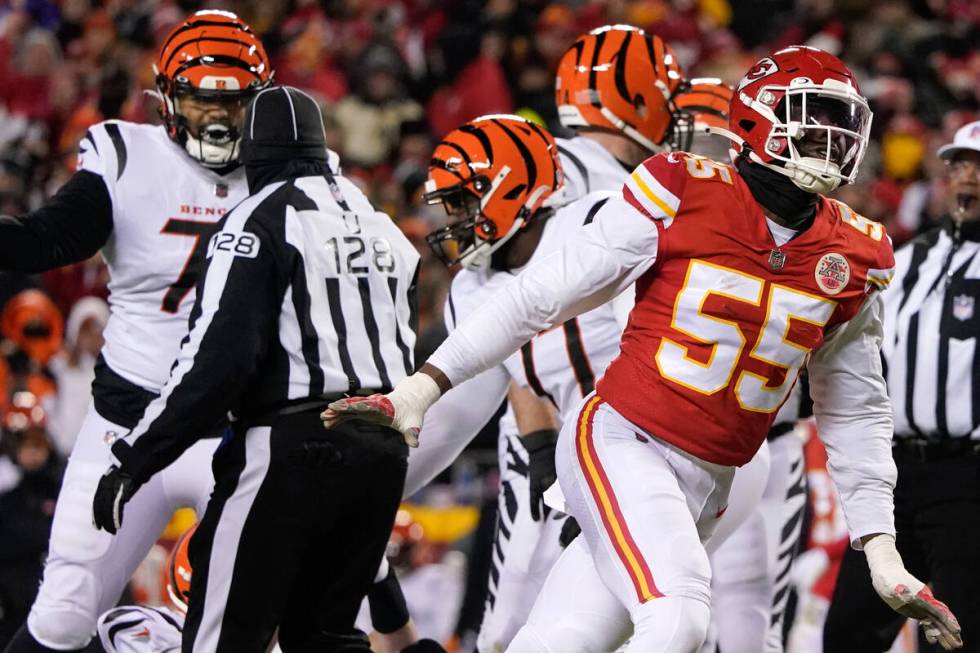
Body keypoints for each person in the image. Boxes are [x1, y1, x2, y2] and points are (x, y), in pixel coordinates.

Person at [324, 46, 963, 652]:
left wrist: (881, 550)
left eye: (841, 121)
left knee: (557, 643)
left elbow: (855, 408)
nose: (832, 137)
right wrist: (419, 389)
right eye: (813, 117)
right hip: (623, 439)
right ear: (756, 116)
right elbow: (539, 296)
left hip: (713, 479)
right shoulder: (681, 187)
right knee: (679, 614)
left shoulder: (857, 252)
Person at [90, 86, 421, 653]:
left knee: (224, 639)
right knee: (328, 638)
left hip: (293, 447)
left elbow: (218, 361)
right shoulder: (381, 221)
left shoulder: (259, 216)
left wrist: (135, 458)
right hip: (385, 447)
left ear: (254, 151)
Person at [0, 11, 276, 653]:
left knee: (267, 618)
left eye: (233, 104)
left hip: (241, 434)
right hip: (127, 421)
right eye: (203, 100)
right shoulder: (128, 156)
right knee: (65, 612)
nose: (218, 119)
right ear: (167, 98)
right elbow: (51, 238)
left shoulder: (289, 173)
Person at [823, 121, 980, 651]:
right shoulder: (907, 259)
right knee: (849, 631)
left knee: (957, 637)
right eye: (959, 164)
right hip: (895, 477)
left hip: (970, 479)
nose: (968, 178)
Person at [0, 394, 64, 650]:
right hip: (14, 604)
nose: (33, 452)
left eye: (38, 444)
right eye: (27, 445)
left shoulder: (61, 487)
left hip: (54, 600)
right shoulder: (9, 497)